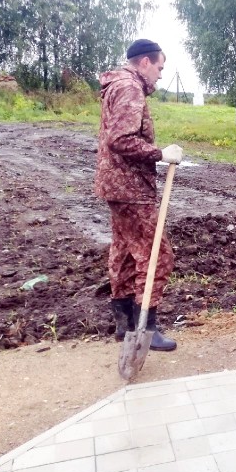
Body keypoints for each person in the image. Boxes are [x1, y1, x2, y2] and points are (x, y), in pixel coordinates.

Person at [94, 38, 181, 352]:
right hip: (130, 187)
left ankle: (126, 323)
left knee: (124, 251)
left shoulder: (116, 85)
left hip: (115, 185)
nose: (160, 74)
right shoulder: (130, 88)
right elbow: (121, 139)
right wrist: (161, 154)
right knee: (158, 254)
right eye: (159, 67)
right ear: (145, 62)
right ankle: (145, 328)